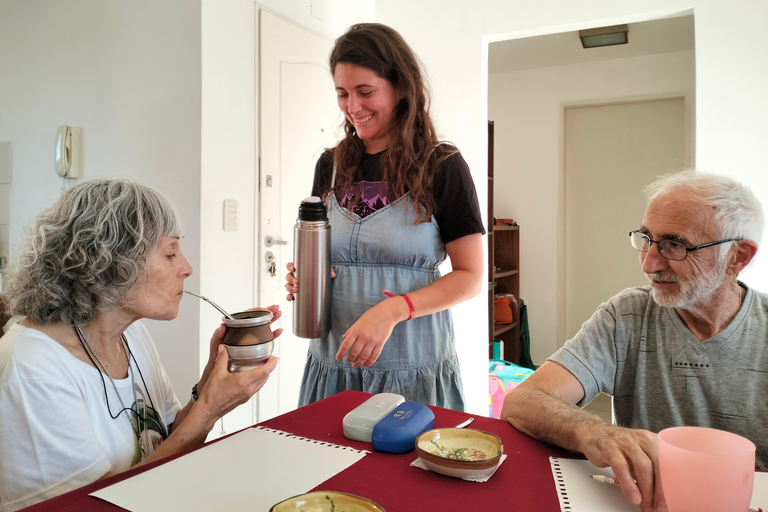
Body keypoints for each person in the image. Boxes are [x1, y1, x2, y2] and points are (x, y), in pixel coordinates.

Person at [0, 178, 280, 511]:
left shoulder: (130, 335)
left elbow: (165, 438)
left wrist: (208, 384)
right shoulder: (33, 368)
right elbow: (95, 506)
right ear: (109, 263)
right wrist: (210, 410)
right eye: (170, 252)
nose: (187, 268)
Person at [502, 170, 766, 512]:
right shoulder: (628, 314)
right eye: (646, 238)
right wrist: (597, 432)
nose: (648, 263)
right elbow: (523, 402)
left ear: (738, 257)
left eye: (675, 244)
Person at [285, 23, 485, 410]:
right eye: (342, 94)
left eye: (365, 92)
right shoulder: (331, 165)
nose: (352, 107)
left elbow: (470, 278)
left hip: (411, 365)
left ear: (401, 88)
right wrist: (308, 275)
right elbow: (330, 257)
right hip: (335, 362)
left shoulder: (442, 165)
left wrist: (395, 309)